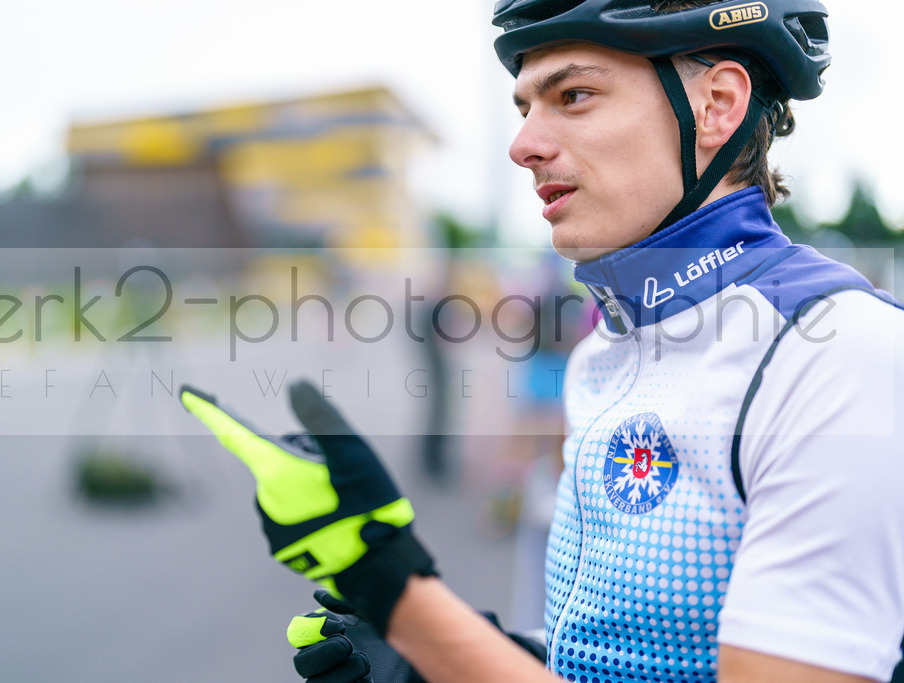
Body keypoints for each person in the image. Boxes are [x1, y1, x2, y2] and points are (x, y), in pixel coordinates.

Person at [180, 0, 904, 680]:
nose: (523, 145)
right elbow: (629, 655)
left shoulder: (838, 355)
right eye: (525, 106)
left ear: (716, 106)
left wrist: (406, 600)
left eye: (574, 96)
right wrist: (456, 657)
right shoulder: (607, 349)